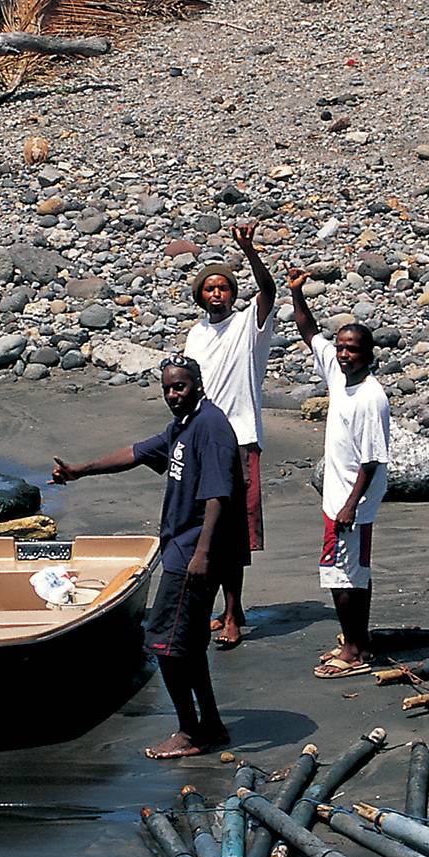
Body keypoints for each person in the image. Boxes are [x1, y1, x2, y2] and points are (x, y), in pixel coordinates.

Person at [50, 355, 247, 759]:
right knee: (188, 645)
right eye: (168, 389)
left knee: (165, 645)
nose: (173, 395)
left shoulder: (210, 426)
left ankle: (191, 732)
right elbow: (136, 453)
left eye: (181, 387)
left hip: (192, 551)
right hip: (181, 546)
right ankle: (209, 724)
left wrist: (204, 553)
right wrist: (80, 470)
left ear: (197, 384)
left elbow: (218, 494)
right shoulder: (183, 425)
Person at [285, 269, 390, 679]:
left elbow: (372, 461)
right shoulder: (337, 372)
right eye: (342, 347)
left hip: (353, 502)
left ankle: (355, 650)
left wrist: (349, 506)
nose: (343, 354)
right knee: (345, 572)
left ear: (368, 356)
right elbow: (309, 331)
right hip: (337, 495)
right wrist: (297, 293)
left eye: (352, 350)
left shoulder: (370, 398)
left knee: (343, 574)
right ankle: (355, 639)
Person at [183, 222, 277, 649]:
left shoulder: (248, 327)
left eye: (223, 288)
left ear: (233, 294)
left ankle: (232, 613)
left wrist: (249, 250)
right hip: (204, 438)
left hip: (239, 437)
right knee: (207, 526)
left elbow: (269, 292)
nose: (216, 294)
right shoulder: (196, 334)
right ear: (200, 296)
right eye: (209, 289)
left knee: (234, 530)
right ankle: (228, 611)